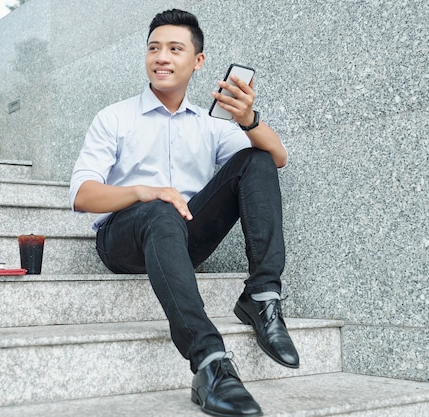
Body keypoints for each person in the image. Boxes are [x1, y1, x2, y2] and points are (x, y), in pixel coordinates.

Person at [69, 9, 299, 417]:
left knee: (256, 158)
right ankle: (210, 364)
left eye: (175, 49)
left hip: (184, 238)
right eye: (154, 48)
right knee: (159, 207)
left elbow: (277, 158)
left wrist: (248, 119)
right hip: (124, 238)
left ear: (198, 61)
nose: (161, 57)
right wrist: (142, 191)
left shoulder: (212, 126)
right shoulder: (115, 117)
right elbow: (83, 195)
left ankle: (262, 296)